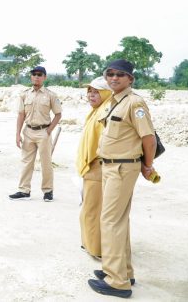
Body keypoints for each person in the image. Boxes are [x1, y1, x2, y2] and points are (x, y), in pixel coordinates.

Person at [87, 59, 157, 299]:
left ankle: (117, 282)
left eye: (120, 74)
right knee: (119, 221)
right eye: (110, 74)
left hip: (122, 168)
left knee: (110, 222)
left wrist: (148, 166)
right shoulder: (115, 101)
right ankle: (123, 270)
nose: (114, 78)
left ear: (130, 79)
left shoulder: (134, 102)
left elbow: (149, 139)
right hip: (111, 168)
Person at [9, 66, 62, 201]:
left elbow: (58, 114)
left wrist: (49, 130)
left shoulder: (50, 95)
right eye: (34, 74)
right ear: (31, 77)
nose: (36, 77)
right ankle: (24, 190)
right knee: (26, 162)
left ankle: (48, 191)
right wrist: (17, 134)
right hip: (28, 132)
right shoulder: (24, 94)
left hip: (43, 132)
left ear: (44, 77)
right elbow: (21, 115)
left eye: (39, 75)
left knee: (46, 163)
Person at [77, 76, 113, 260]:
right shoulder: (96, 111)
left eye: (96, 91)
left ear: (106, 92)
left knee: (93, 210)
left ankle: (96, 248)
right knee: (89, 207)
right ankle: (90, 243)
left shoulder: (106, 112)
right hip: (92, 168)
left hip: (98, 168)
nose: (91, 95)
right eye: (89, 91)